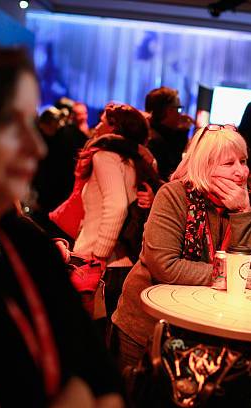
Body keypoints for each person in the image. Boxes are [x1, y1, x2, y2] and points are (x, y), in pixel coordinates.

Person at [0, 32, 122, 407]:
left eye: (30, 122)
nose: (37, 147)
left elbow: (100, 371)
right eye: (9, 123)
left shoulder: (26, 244)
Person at [110, 124, 251, 370]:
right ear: (204, 166)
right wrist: (230, 276)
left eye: (243, 161)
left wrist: (242, 213)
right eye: (229, 164)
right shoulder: (174, 195)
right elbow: (165, 266)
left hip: (220, 333)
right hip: (150, 326)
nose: (241, 172)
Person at [73, 103, 160, 324]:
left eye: (103, 121)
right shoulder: (138, 160)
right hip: (122, 263)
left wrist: (99, 255)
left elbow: (117, 205)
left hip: (98, 263)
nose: (98, 125)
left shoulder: (106, 157)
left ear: (114, 128)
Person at [145, 86, 194, 180]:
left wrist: (182, 132)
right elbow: (173, 175)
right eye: (179, 109)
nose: (181, 114)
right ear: (169, 111)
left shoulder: (159, 134)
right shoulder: (155, 141)